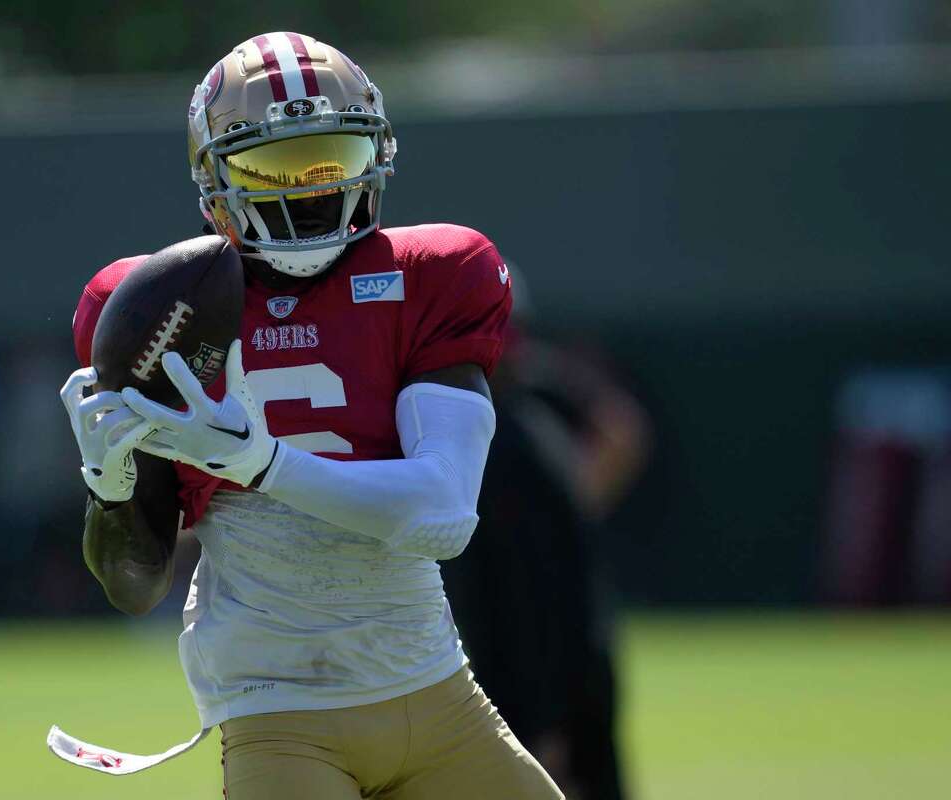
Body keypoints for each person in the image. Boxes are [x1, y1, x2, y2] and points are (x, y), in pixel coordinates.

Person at [53, 32, 564, 800]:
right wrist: (110, 485)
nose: (313, 189)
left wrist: (263, 465)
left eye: (335, 157)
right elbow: (135, 584)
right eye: (278, 166)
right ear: (214, 175)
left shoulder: (429, 275)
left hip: (439, 695)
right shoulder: (164, 308)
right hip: (278, 713)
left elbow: (445, 516)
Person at [443, 323, 651, 800]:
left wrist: (543, 725)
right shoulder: (529, 429)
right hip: (571, 682)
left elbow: (534, 603)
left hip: (545, 698)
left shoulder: (505, 449)